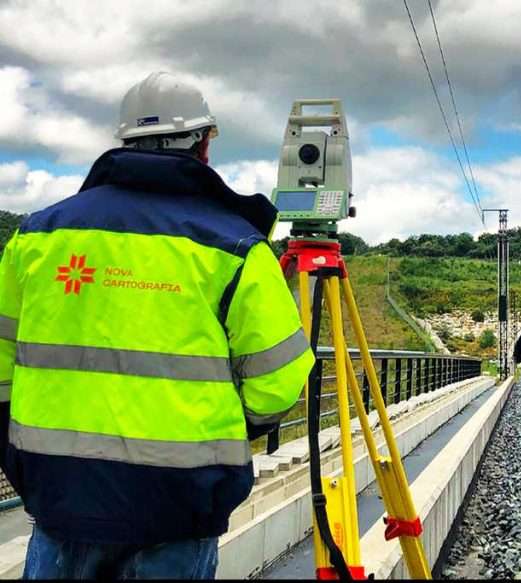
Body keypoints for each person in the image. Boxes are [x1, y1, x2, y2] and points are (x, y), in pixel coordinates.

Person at [0, 72, 314, 579]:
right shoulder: (235, 248)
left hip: (58, 500)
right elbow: (276, 385)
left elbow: (2, 369)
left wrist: (30, 462)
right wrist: (221, 442)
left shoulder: (37, 237)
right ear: (203, 144)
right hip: (178, 508)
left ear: (124, 142)